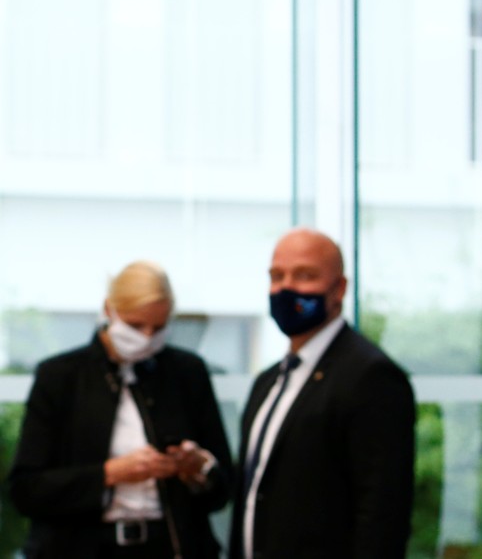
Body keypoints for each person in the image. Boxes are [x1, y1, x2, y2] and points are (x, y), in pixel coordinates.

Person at [9, 260, 233, 558]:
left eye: (159, 328)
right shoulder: (61, 376)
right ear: (108, 310)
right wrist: (109, 474)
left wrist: (198, 468)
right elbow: (26, 490)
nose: (147, 337)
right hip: (82, 546)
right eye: (136, 325)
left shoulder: (186, 372)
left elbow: (223, 487)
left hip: (169, 544)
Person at [228, 227, 416, 559]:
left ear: (339, 288)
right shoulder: (267, 382)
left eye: (305, 275)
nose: (286, 288)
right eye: (277, 276)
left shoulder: (371, 377)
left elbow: (382, 515)